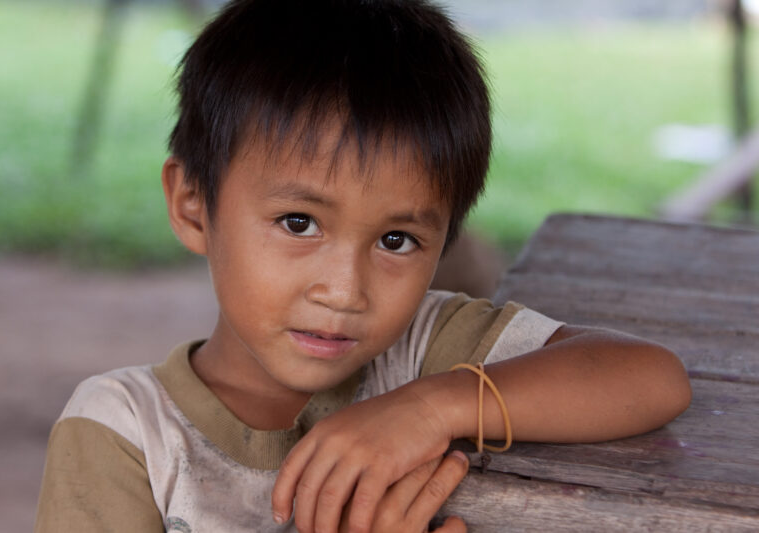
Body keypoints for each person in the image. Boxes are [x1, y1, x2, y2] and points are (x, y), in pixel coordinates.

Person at [35, 1, 692, 532]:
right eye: (299, 223)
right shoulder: (124, 434)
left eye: (398, 240)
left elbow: (651, 376)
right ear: (193, 205)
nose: (345, 290)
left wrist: (432, 408)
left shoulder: (421, 351)